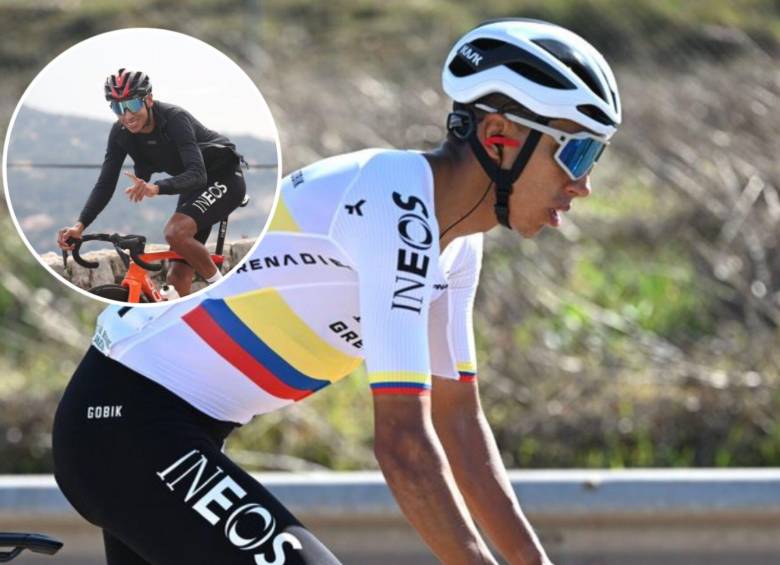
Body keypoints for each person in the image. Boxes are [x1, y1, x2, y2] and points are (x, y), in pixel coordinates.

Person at [52, 19, 621, 565]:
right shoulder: (394, 209)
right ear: (499, 139)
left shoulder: (458, 245)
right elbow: (402, 446)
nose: (585, 184)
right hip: (129, 425)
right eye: (576, 152)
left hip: (158, 431)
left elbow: (459, 426)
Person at [56, 68, 247, 297]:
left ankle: (225, 294)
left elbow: (198, 174)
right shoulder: (120, 133)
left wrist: (156, 187)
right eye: (118, 107)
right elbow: (105, 184)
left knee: (175, 232)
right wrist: (80, 225)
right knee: (176, 278)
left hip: (222, 176)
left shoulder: (175, 118)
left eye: (132, 105)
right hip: (191, 187)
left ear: (148, 100)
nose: (126, 115)